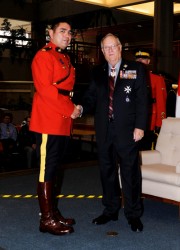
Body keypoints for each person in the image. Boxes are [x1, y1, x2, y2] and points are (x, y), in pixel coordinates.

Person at [82, 33, 148, 232]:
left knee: (130, 173)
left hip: (128, 131)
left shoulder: (136, 69)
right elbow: (90, 97)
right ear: (102, 51)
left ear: (120, 47)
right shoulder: (97, 72)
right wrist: (80, 108)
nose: (110, 50)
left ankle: (133, 214)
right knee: (107, 172)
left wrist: (140, 126)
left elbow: (143, 100)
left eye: (113, 46)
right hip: (104, 130)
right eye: (106, 47)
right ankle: (110, 210)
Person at [29, 18, 81, 236]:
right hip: (49, 119)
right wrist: (70, 109)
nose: (67, 35)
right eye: (62, 31)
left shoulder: (63, 57)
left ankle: (53, 211)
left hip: (61, 119)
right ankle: (46, 219)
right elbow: (47, 91)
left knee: (55, 167)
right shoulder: (44, 56)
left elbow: (64, 90)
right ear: (50, 33)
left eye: (70, 32)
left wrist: (73, 107)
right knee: (46, 168)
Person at [135, 48, 167, 149]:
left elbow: (161, 102)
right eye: (138, 58)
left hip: (149, 121)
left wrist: (159, 123)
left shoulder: (157, 79)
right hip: (132, 119)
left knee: (146, 150)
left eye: (143, 58)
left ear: (148, 61)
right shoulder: (129, 77)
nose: (140, 61)